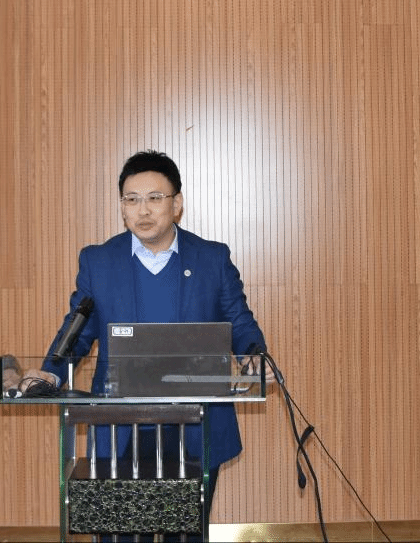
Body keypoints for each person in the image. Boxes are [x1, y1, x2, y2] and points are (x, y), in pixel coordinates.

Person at [22, 150, 271, 534]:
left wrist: (255, 356)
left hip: (196, 419)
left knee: (185, 531)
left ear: (177, 204)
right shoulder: (99, 261)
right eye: (131, 199)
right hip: (120, 420)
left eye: (155, 198)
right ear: (122, 207)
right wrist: (51, 373)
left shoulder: (211, 258)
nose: (143, 210)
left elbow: (239, 322)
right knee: (117, 530)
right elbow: (78, 328)